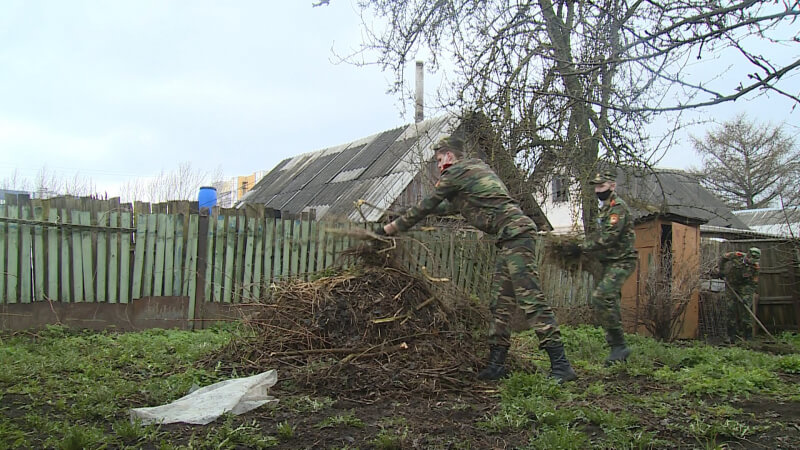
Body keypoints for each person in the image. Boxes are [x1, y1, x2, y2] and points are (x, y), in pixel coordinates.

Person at [380, 133, 577, 383]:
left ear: (450, 156)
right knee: (500, 302)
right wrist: (400, 214)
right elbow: (438, 208)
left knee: (530, 298)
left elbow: (427, 205)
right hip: (509, 238)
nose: (439, 166)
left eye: (440, 160)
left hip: (517, 234)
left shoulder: (458, 172)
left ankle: (561, 366)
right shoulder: (471, 176)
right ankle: (496, 365)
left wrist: (389, 230)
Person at [562, 170, 637, 365]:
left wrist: (581, 247)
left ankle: (619, 346)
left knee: (602, 296)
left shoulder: (617, 208)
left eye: (601, 186)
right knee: (609, 301)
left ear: (612, 186)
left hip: (622, 260)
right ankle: (617, 351)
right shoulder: (605, 209)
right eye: (596, 187)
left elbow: (609, 238)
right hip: (609, 262)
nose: (598, 190)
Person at [718, 247, 760, 341]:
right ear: (748, 255)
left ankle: (747, 337)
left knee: (746, 309)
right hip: (731, 284)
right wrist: (721, 271)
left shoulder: (755, 267)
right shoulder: (736, 255)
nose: (752, 262)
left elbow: (753, 284)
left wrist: (747, 297)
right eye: (751, 259)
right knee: (730, 308)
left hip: (744, 286)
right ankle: (731, 336)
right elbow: (723, 258)